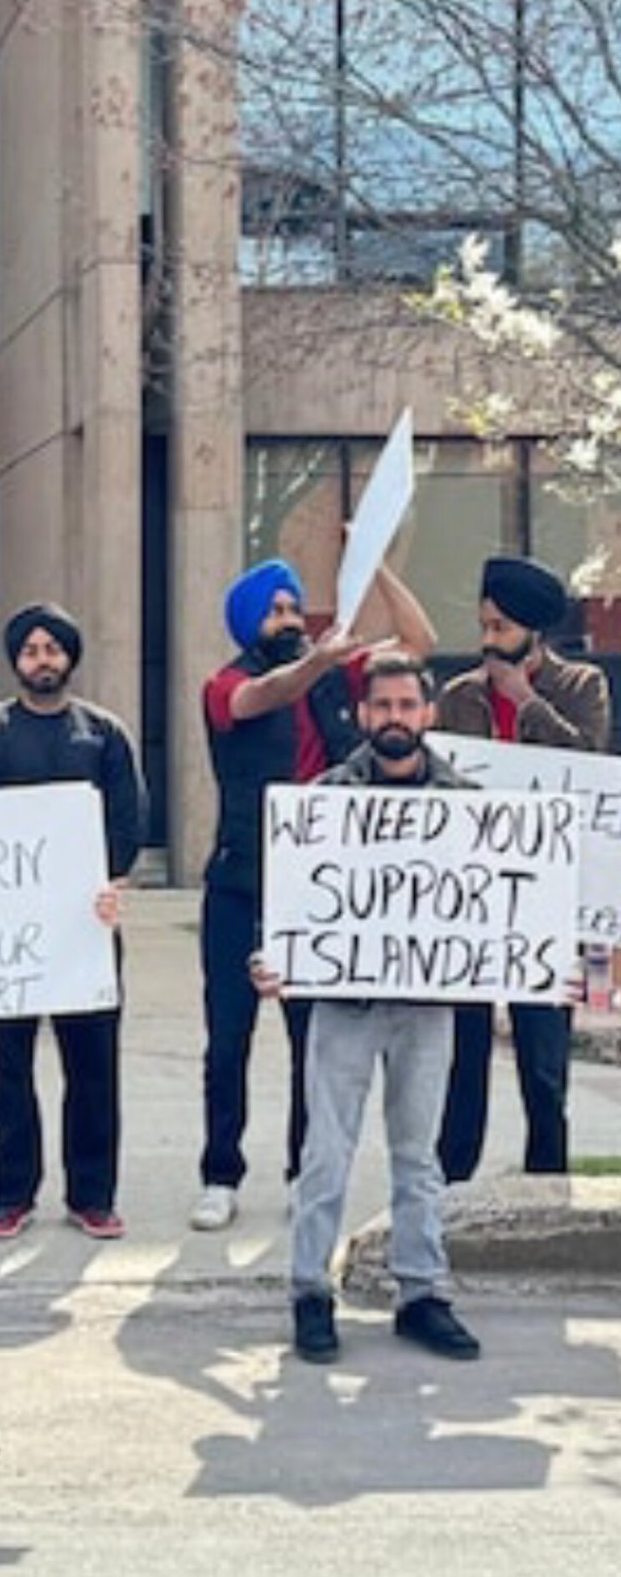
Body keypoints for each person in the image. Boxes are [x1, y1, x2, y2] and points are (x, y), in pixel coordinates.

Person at [191, 556, 435, 1232]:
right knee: (228, 1038)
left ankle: (304, 1171)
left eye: (295, 607)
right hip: (241, 882)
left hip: (319, 889)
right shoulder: (227, 684)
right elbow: (264, 696)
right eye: (276, 611)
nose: (291, 620)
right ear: (249, 624)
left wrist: (376, 564)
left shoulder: (337, 677)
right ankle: (220, 1174)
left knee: (313, 1039)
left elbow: (419, 642)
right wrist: (320, 660)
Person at [251, 654, 481, 1365]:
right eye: (382, 706)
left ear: (428, 714)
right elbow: (290, 896)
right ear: (361, 714)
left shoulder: (468, 804)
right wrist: (274, 955)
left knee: (419, 1155)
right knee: (326, 1151)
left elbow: (492, 904)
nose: (394, 719)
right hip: (344, 1004)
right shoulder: (324, 799)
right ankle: (310, 1292)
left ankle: (422, 1294)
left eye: (407, 706)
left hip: (427, 1003)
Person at [0, 603, 146, 1240]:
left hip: (87, 928)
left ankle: (93, 1196)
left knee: (93, 1066)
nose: (43, 660)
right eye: (31, 650)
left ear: (69, 657)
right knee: (7, 1066)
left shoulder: (104, 734)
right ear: (16, 661)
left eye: (52, 648)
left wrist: (113, 881)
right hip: (7, 932)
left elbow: (127, 822)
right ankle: (10, 1194)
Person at [435, 555, 612, 1182]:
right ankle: (453, 1180)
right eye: (484, 625)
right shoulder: (458, 697)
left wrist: (526, 702)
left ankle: (547, 1179)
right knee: (464, 1053)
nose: (489, 639)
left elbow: (588, 762)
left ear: (532, 630)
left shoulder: (581, 685)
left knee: (543, 1061)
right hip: (475, 895)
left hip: (546, 899)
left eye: (501, 627)